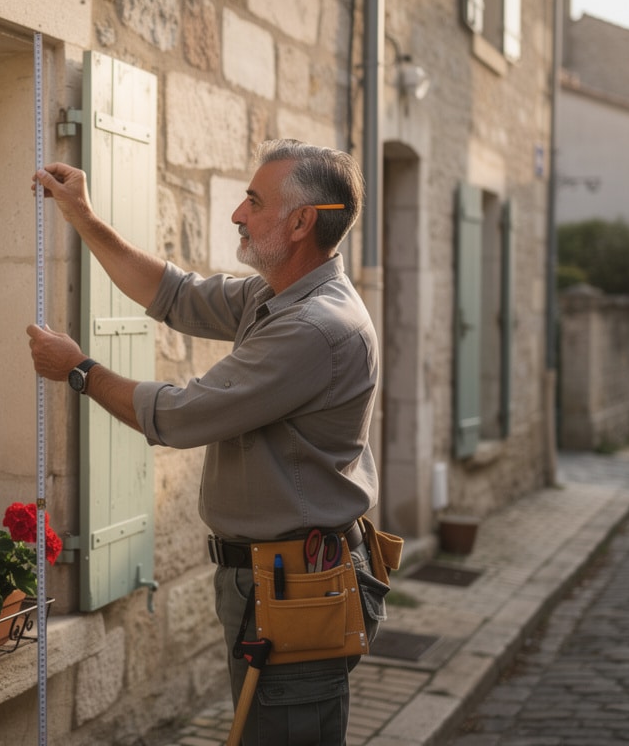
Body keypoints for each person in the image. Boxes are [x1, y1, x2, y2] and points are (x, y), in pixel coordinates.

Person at [27, 138, 382, 745]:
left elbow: (181, 416)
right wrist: (81, 216)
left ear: (301, 223)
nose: (238, 214)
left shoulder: (315, 327)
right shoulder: (278, 296)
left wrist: (79, 370)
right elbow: (174, 294)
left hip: (294, 586)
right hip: (273, 579)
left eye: (254, 201)